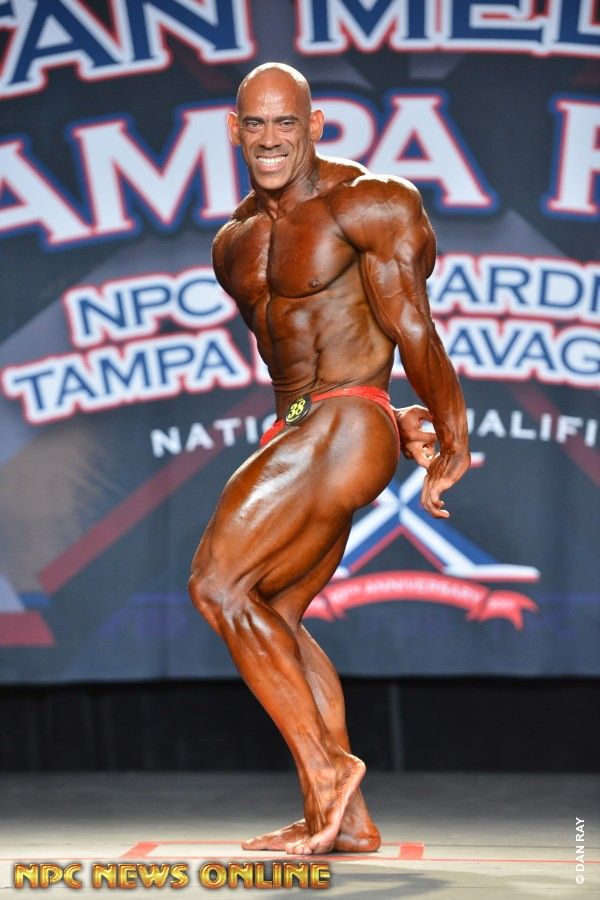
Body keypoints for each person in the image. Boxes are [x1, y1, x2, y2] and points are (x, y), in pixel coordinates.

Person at [188, 62, 470, 856]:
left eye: (287, 122)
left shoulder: (370, 203)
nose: (271, 138)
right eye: (256, 123)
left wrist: (449, 432)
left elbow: (410, 327)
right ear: (234, 130)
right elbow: (296, 364)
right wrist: (383, 416)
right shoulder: (233, 244)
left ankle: (326, 771)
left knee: (217, 583)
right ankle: (346, 820)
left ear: (313, 126)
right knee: (271, 614)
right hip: (306, 428)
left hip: (346, 425)